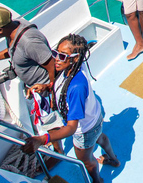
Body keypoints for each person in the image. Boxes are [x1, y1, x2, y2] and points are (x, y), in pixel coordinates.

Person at [0, 6, 63, 159]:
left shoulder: (28, 41)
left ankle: (58, 154)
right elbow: (14, 50)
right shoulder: (13, 30)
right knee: (44, 121)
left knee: (49, 123)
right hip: (34, 87)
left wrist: (50, 90)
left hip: (43, 89)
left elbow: (50, 64)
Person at [23, 34, 119, 183]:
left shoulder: (76, 87)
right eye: (55, 53)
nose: (56, 58)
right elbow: (62, 86)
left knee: (86, 161)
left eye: (62, 56)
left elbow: (71, 129)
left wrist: (42, 139)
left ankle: (98, 181)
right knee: (100, 137)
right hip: (95, 117)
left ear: (75, 58)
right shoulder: (75, 67)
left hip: (84, 130)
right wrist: (46, 88)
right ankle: (114, 160)